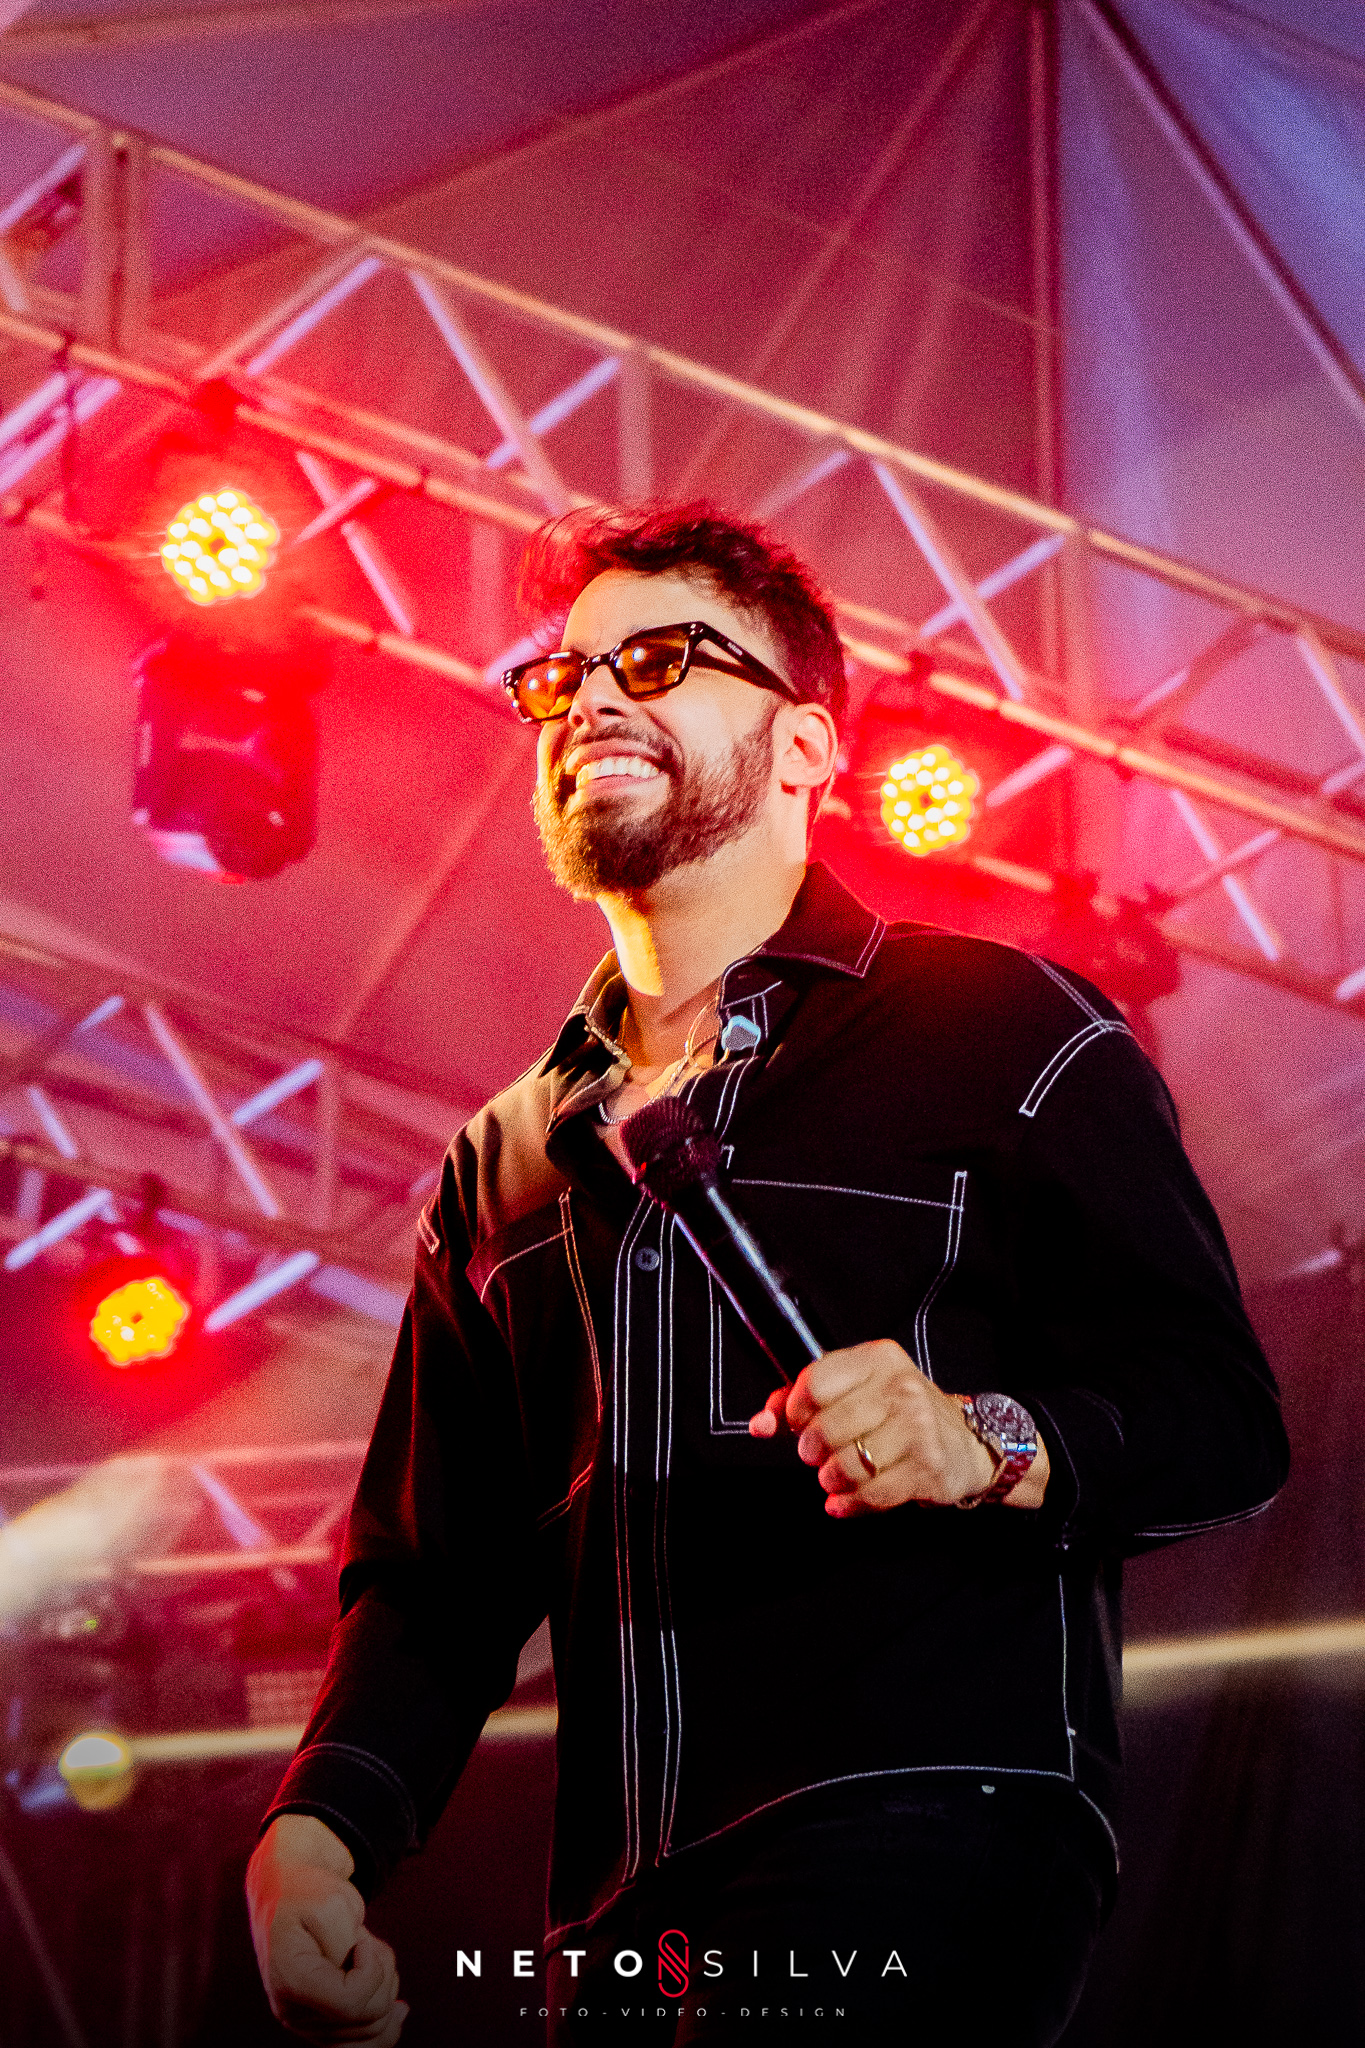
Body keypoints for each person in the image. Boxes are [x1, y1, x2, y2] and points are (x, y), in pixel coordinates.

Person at [246, 504, 1289, 2045]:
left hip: (919, 1823)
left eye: (657, 660)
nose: (590, 701)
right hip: (617, 1918)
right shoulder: (503, 1161)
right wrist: (315, 1836)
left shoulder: (1002, 1030)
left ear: (806, 747)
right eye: (563, 676)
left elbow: (1220, 1417)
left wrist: (982, 1439)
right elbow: (435, 1582)